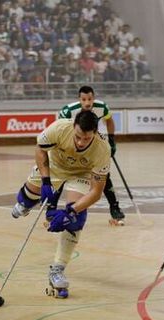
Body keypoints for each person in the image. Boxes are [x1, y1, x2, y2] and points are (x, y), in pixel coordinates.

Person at [11, 110, 111, 298]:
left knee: (75, 220)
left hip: (81, 174)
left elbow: (96, 192)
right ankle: (26, 204)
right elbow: (40, 149)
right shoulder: (59, 128)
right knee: (26, 198)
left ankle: (57, 269)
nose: (81, 142)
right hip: (55, 167)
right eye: (78, 137)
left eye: (86, 139)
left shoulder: (103, 148)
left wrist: (70, 211)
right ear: (73, 127)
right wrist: (46, 180)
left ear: (95, 134)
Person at [57, 85, 125, 224]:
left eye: (90, 99)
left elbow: (109, 121)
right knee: (61, 174)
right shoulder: (69, 111)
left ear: (94, 98)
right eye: (84, 99)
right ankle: (51, 208)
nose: (87, 103)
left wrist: (111, 140)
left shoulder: (102, 107)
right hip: (72, 146)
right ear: (79, 100)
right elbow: (60, 130)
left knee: (102, 175)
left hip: (92, 146)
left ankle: (114, 207)